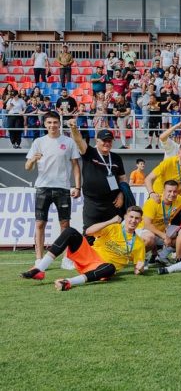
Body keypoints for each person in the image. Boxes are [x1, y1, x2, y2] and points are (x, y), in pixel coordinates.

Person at [21, 207, 145, 291]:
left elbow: (137, 269)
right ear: (125, 216)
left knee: (110, 268)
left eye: (137, 218)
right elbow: (89, 232)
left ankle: (68, 282)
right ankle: (40, 269)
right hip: (88, 256)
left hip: (100, 268)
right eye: (131, 217)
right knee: (70, 231)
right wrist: (111, 221)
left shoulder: (139, 244)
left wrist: (140, 269)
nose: (133, 221)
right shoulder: (113, 227)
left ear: (140, 221)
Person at [25, 111, 81, 266]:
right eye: (49, 122)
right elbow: (28, 167)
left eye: (55, 122)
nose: (52, 125)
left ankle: (66, 259)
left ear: (59, 123)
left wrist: (77, 186)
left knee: (65, 224)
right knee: (39, 224)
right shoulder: (38, 142)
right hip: (42, 188)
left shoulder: (69, 142)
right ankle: (39, 259)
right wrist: (32, 160)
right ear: (45, 124)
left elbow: (76, 166)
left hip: (63, 188)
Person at [68, 121, 127, 233]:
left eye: (109, 141)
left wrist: (121, 194)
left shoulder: (116, 158)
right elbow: (78, 140)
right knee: (90, 232)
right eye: (104, 141)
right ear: (97, 141)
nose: (107, 143)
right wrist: (74, 128)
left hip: (113, 202)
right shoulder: (89, 152)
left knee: (113, 231)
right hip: (93, 202)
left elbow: (123, 179)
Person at [136, 179, 181, 264]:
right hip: (142, 230)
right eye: (169, 191)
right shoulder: (153, 201)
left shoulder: (179, 199)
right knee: (150, 238)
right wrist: (164, 236)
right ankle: (139, 258)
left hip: (159, 232)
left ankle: (161, 256)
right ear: (163, 191)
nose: (172, 194)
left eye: (175, 191)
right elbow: (147, 224)